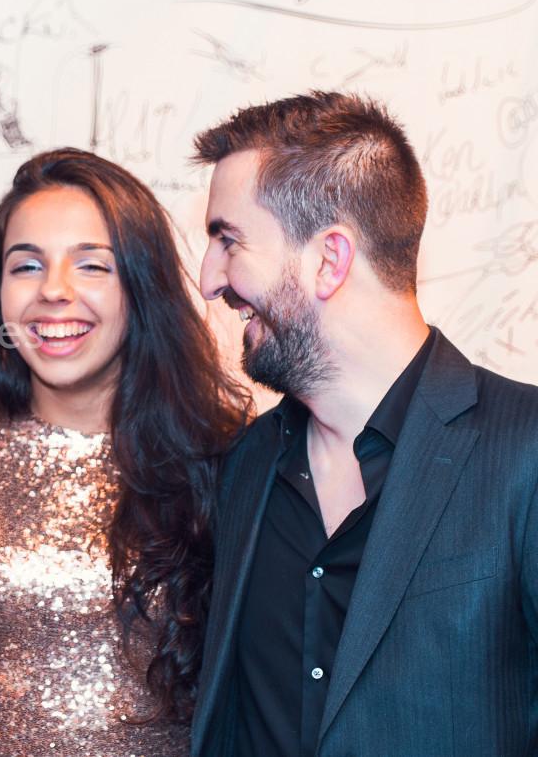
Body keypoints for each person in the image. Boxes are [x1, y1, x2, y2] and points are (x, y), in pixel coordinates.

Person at [189, 91, 538, 757]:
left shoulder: (525, 450)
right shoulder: (244, 466)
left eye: (229, 241)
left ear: (330, 260)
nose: (209, 280)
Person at [0, 149, 251, 756]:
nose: (54, 291)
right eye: (27, 265)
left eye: (92, 266)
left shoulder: (222, 450)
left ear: (142, 286)